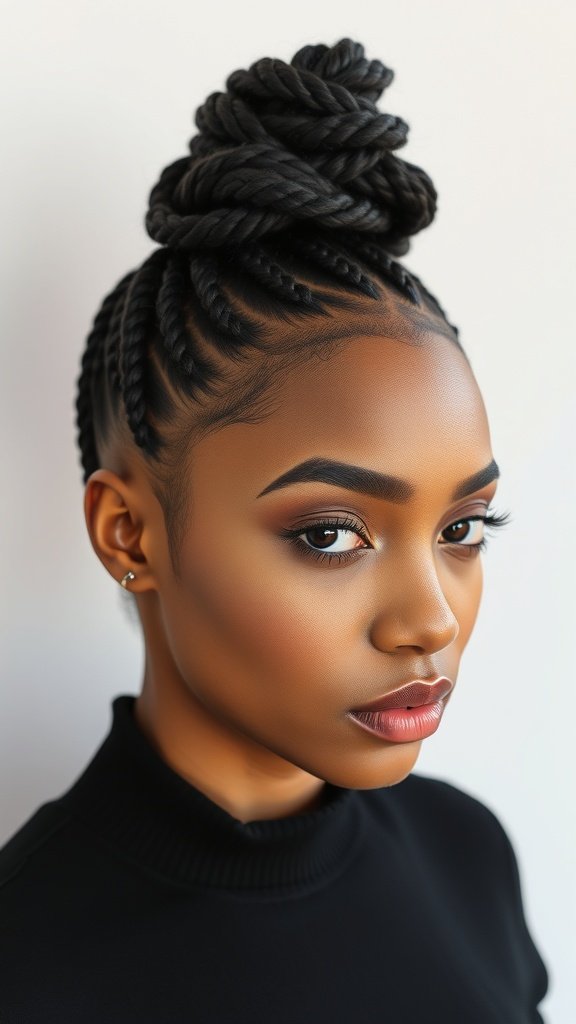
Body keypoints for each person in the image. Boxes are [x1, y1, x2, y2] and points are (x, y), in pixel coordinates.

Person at [0, 37, 549, 1023]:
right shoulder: (25, 962)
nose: (430, 622)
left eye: (464, 525)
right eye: (333, 535)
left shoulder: (470, 858)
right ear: (129, 535)